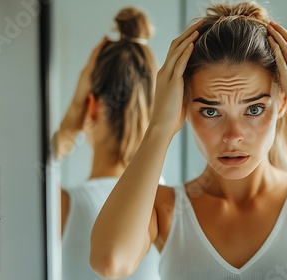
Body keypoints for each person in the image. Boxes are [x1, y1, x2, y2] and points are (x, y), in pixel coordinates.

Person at [90, 2, 287, 279]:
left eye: (254, 108)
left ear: (283, 102)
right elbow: (110, 262)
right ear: (184, 108)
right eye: (210, 112)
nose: (233, 136)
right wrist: (159, 128)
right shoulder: (164, 209)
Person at [52, 7, 163, 280]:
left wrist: (67, 128)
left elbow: (4, 196)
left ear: (90, 107)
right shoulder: (168, 203)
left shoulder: (62, 207)